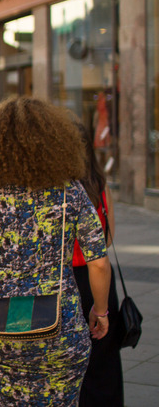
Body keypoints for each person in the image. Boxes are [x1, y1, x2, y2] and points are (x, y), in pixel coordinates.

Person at [0, 96, 111, 406]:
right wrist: (100, 311)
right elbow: (99, 263)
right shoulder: (71, 194)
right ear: (57, 145)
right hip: (61, 327)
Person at [73, 123, 123, 406]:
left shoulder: (60, 190)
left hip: (70, 279)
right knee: (104, 357)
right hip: (100, 277)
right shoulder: (100, 185)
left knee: (71, 357)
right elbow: (108, 237)